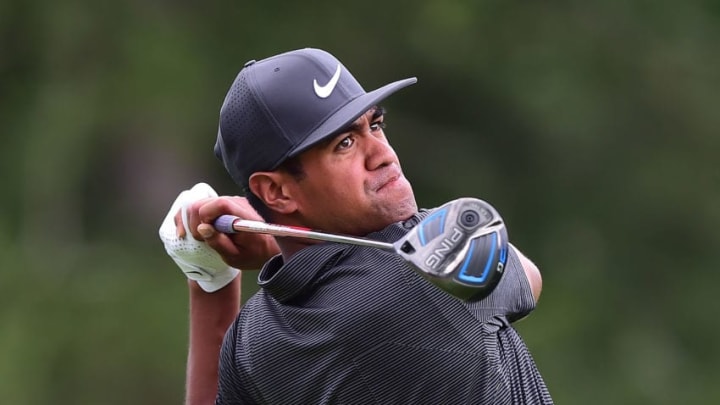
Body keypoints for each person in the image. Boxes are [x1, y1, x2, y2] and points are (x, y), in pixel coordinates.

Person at [159, 48, 551, 404]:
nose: (383, 155)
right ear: (276, 192)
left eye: (375, 126)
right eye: (344, 143)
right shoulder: (419, 273)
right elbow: (527, 277)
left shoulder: (254, 342)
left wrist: (210, 279)